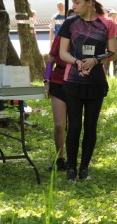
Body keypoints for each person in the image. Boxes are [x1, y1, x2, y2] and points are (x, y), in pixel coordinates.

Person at [58, 0, 117, 180]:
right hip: (73, 81)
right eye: (73, 2)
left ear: (90, 2)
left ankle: (84, 168)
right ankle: (71, 168)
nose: (74, 6)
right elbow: (62, 53)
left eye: (77, 2)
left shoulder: (107, 23)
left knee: (90, 126)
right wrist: (77, 62)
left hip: (96, 82)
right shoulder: (70, 23)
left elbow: (113, 52)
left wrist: (96, 60)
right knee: (74, 125)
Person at [44, 9, 73, 172]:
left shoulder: (84, 37)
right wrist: (46, 80)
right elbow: (51, 59)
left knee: (73, 125)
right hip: (58, 81)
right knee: (59, 125)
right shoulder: (60, 36)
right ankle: (59, 158)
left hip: (76, 83)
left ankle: (72, 159)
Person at [105, 10, 117, 78]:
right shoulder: (107, 25)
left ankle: (116, 76)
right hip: (108, 47)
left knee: (116, 62)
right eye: (113, 16)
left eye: (115, 16)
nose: (114, 18)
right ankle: (107, 75)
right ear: (109, 16)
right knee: (107, 62)